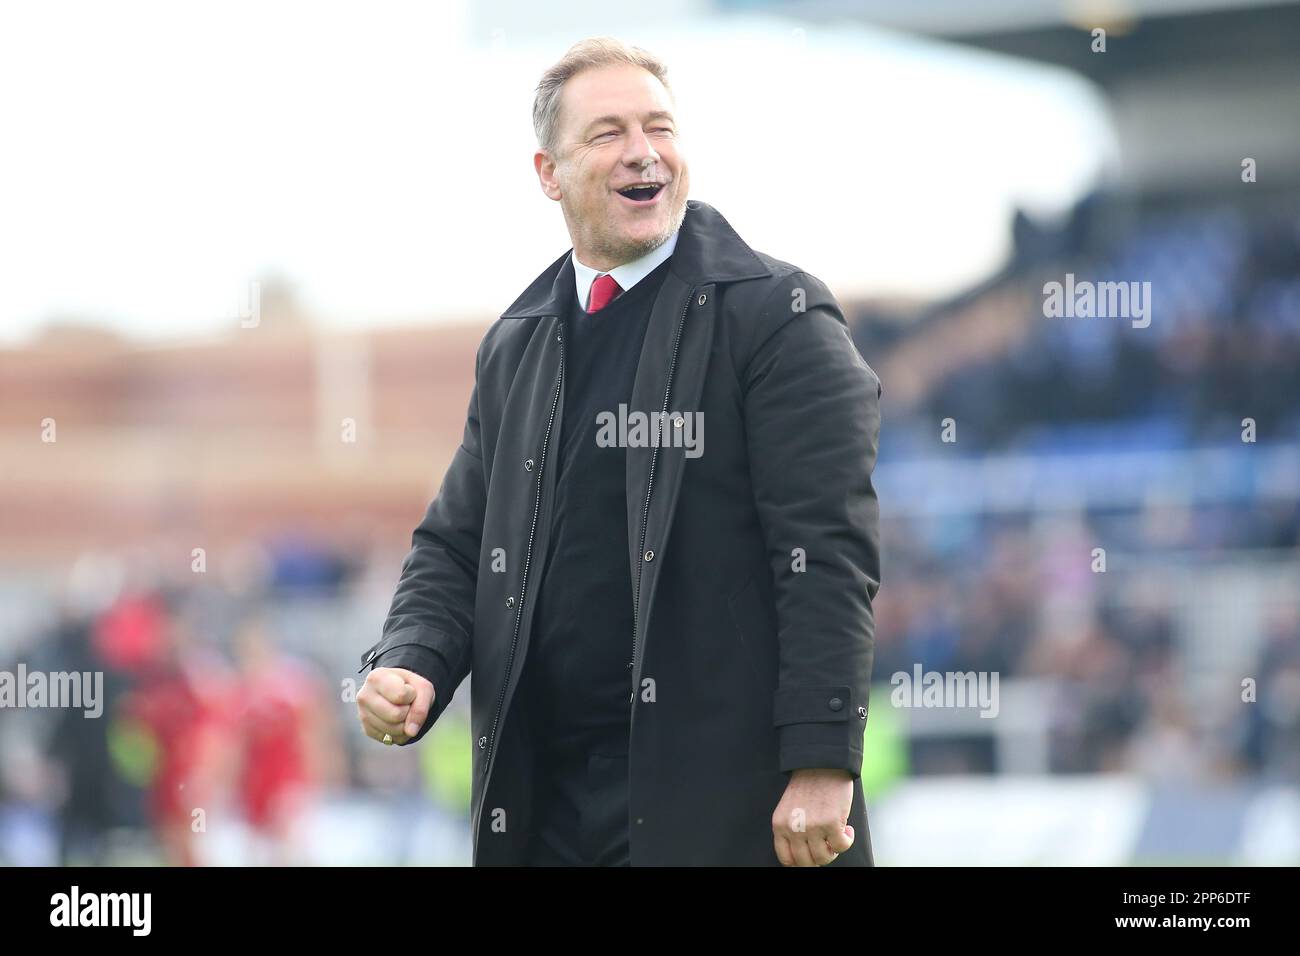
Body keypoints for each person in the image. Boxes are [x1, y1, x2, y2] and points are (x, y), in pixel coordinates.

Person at [356, 36, 883, 866]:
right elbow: (458, 546)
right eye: (608, 133)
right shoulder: (515, 343)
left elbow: (825, 554)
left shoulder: (777, 318)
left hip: (719, 802)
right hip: (546, 805)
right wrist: (412, 659)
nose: (644, 153)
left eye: (659, 128)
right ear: (548, 173)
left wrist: (822, 761)